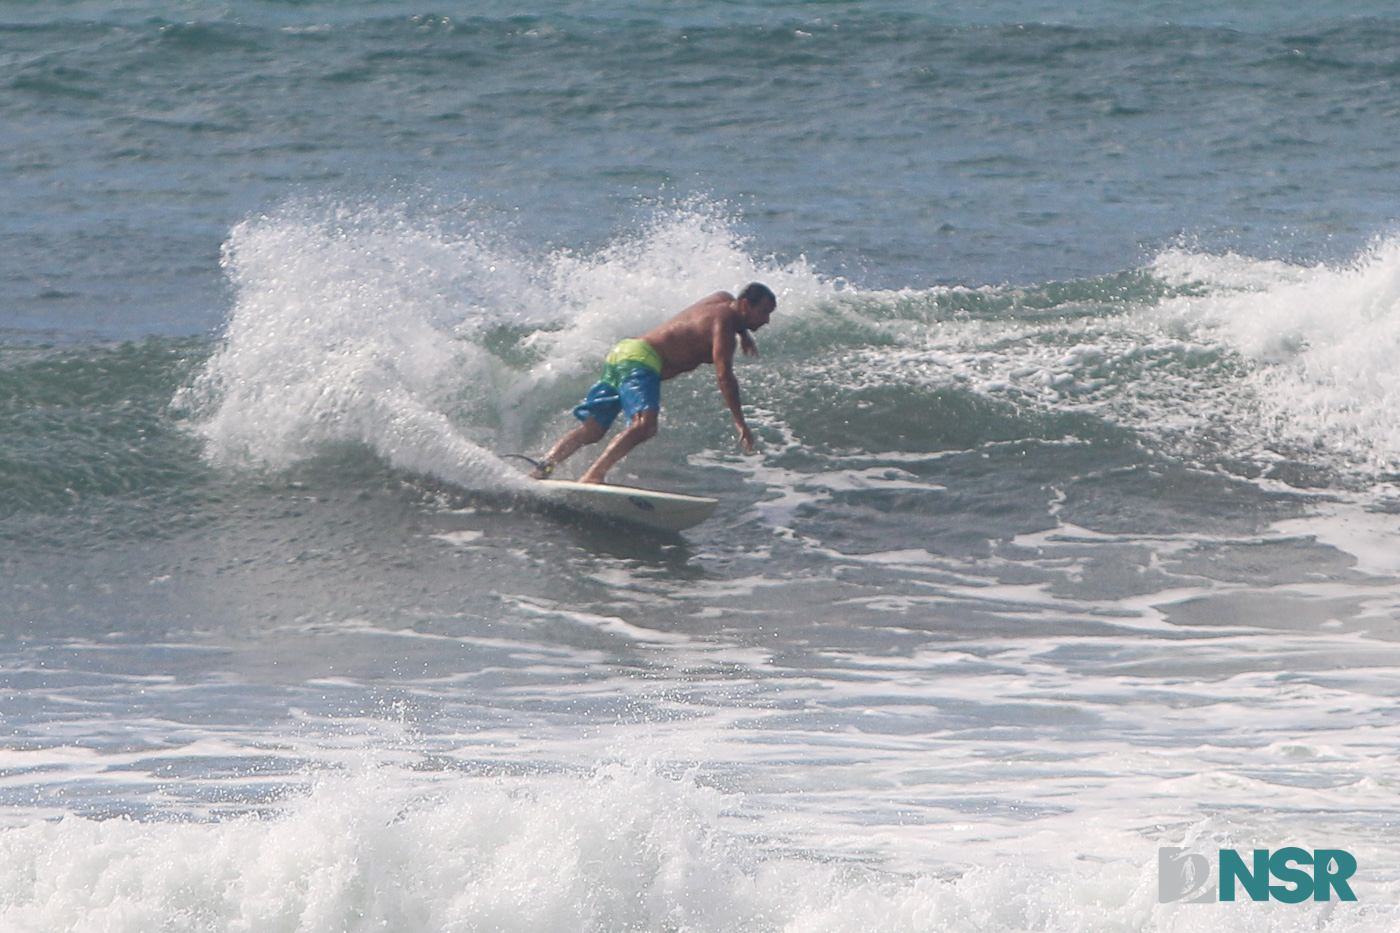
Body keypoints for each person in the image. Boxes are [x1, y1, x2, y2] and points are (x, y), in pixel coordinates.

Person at [531, 282, 777, 484]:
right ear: (746, 305)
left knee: (593, 430)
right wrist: (739, 421)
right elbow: (725, 376)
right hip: (642, 361)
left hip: (623, 352)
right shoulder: (723, 329)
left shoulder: (721, 300)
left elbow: (729, 315)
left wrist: (743, 333)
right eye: (764, 312)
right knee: (644, 425)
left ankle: (543, 468)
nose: (766, 320)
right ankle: (594, 476)